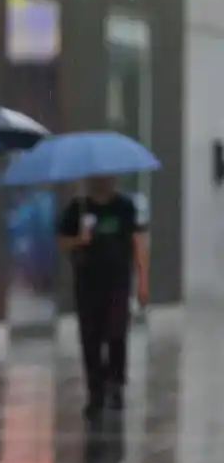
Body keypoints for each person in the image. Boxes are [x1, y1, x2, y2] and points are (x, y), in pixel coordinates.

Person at [57, 175, 149, 418]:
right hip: (87, 283)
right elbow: (63, 243)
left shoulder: (125, 208)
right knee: (91, 338)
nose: (104, 181)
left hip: (118, 282)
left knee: (117, 333)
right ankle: (95, 391)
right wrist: (79, 239)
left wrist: (142, 281)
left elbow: (138, 242)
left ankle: (116, 385)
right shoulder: (77, 209)